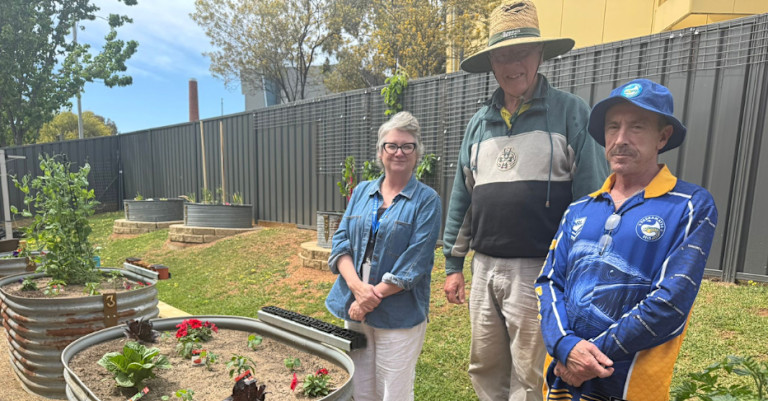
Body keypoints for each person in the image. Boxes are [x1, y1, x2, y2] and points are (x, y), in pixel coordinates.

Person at [442, 1, 609, 400]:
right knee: (483, 364)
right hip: (484, 269)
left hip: (538, 270)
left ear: (539, 55)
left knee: (530, 370)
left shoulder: (571, 113)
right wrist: (453, 264)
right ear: (492, 63)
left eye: (521, 53)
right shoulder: (478, 123)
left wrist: (578, 274)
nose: (512, 64)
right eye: (502, 55)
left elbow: (591, 200)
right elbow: (462, 196)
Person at [535, 79, 718, 401]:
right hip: (563, 378)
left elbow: (670, 302)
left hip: (629, 383)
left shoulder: (689, 205)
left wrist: (586, 359)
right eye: (613, 127)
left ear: (663, 136)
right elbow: (549, 282)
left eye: (637, 127)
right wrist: (565, 345)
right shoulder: (580, 208)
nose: (621, 139)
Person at [325, 111, 442, 401]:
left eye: (407, 146)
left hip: (398, 313)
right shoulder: (362, 191)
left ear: (417, 154)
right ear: (381, 152)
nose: (399, 152)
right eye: (392, 145)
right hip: (355, 304)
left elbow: (415, 263)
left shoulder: (427, 201)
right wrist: (356, 289)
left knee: (394, 391)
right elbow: (341, 241)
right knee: (361, 387)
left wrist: (368, 300)